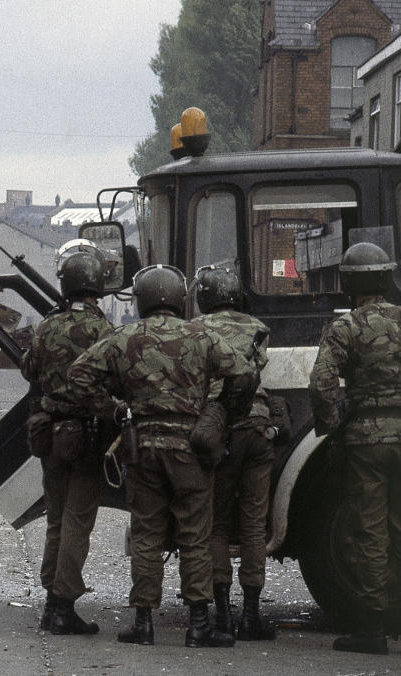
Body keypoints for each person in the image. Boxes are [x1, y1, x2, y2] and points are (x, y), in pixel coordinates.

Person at [66, 264, 256, 648]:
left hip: (142, 449)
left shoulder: (124, 337)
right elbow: (245, 372)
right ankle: (199, 624)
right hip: (191, 450)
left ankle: (143, 623)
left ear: (142, 301)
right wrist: (221, 413)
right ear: (179, 298)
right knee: (195, 535)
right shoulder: (200, 335)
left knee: (147, 536)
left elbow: (78, 375)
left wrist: (114, 410)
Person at [308, 242, 400, 655]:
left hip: (367, 442)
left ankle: (372, 629)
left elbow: (322, 382)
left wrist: (331, 430)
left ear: (349, 283)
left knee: (369, 531)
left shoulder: (346, 327)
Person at [20, 248, 113, 635]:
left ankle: (50, 601)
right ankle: (63, 604)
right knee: (77, 520)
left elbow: (29, 369)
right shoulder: (103, 331)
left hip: (49, 435)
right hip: (86, 437)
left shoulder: (47, 326)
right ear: (96, 288)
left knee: (56, 519)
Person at [194, 266, 276, 641]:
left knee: (219, 525)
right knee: (254, 526)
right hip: (258, 428)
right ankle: (252, 616)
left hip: (222, 429)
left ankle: (223, 615)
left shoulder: (196, 329)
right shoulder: (258, 327)